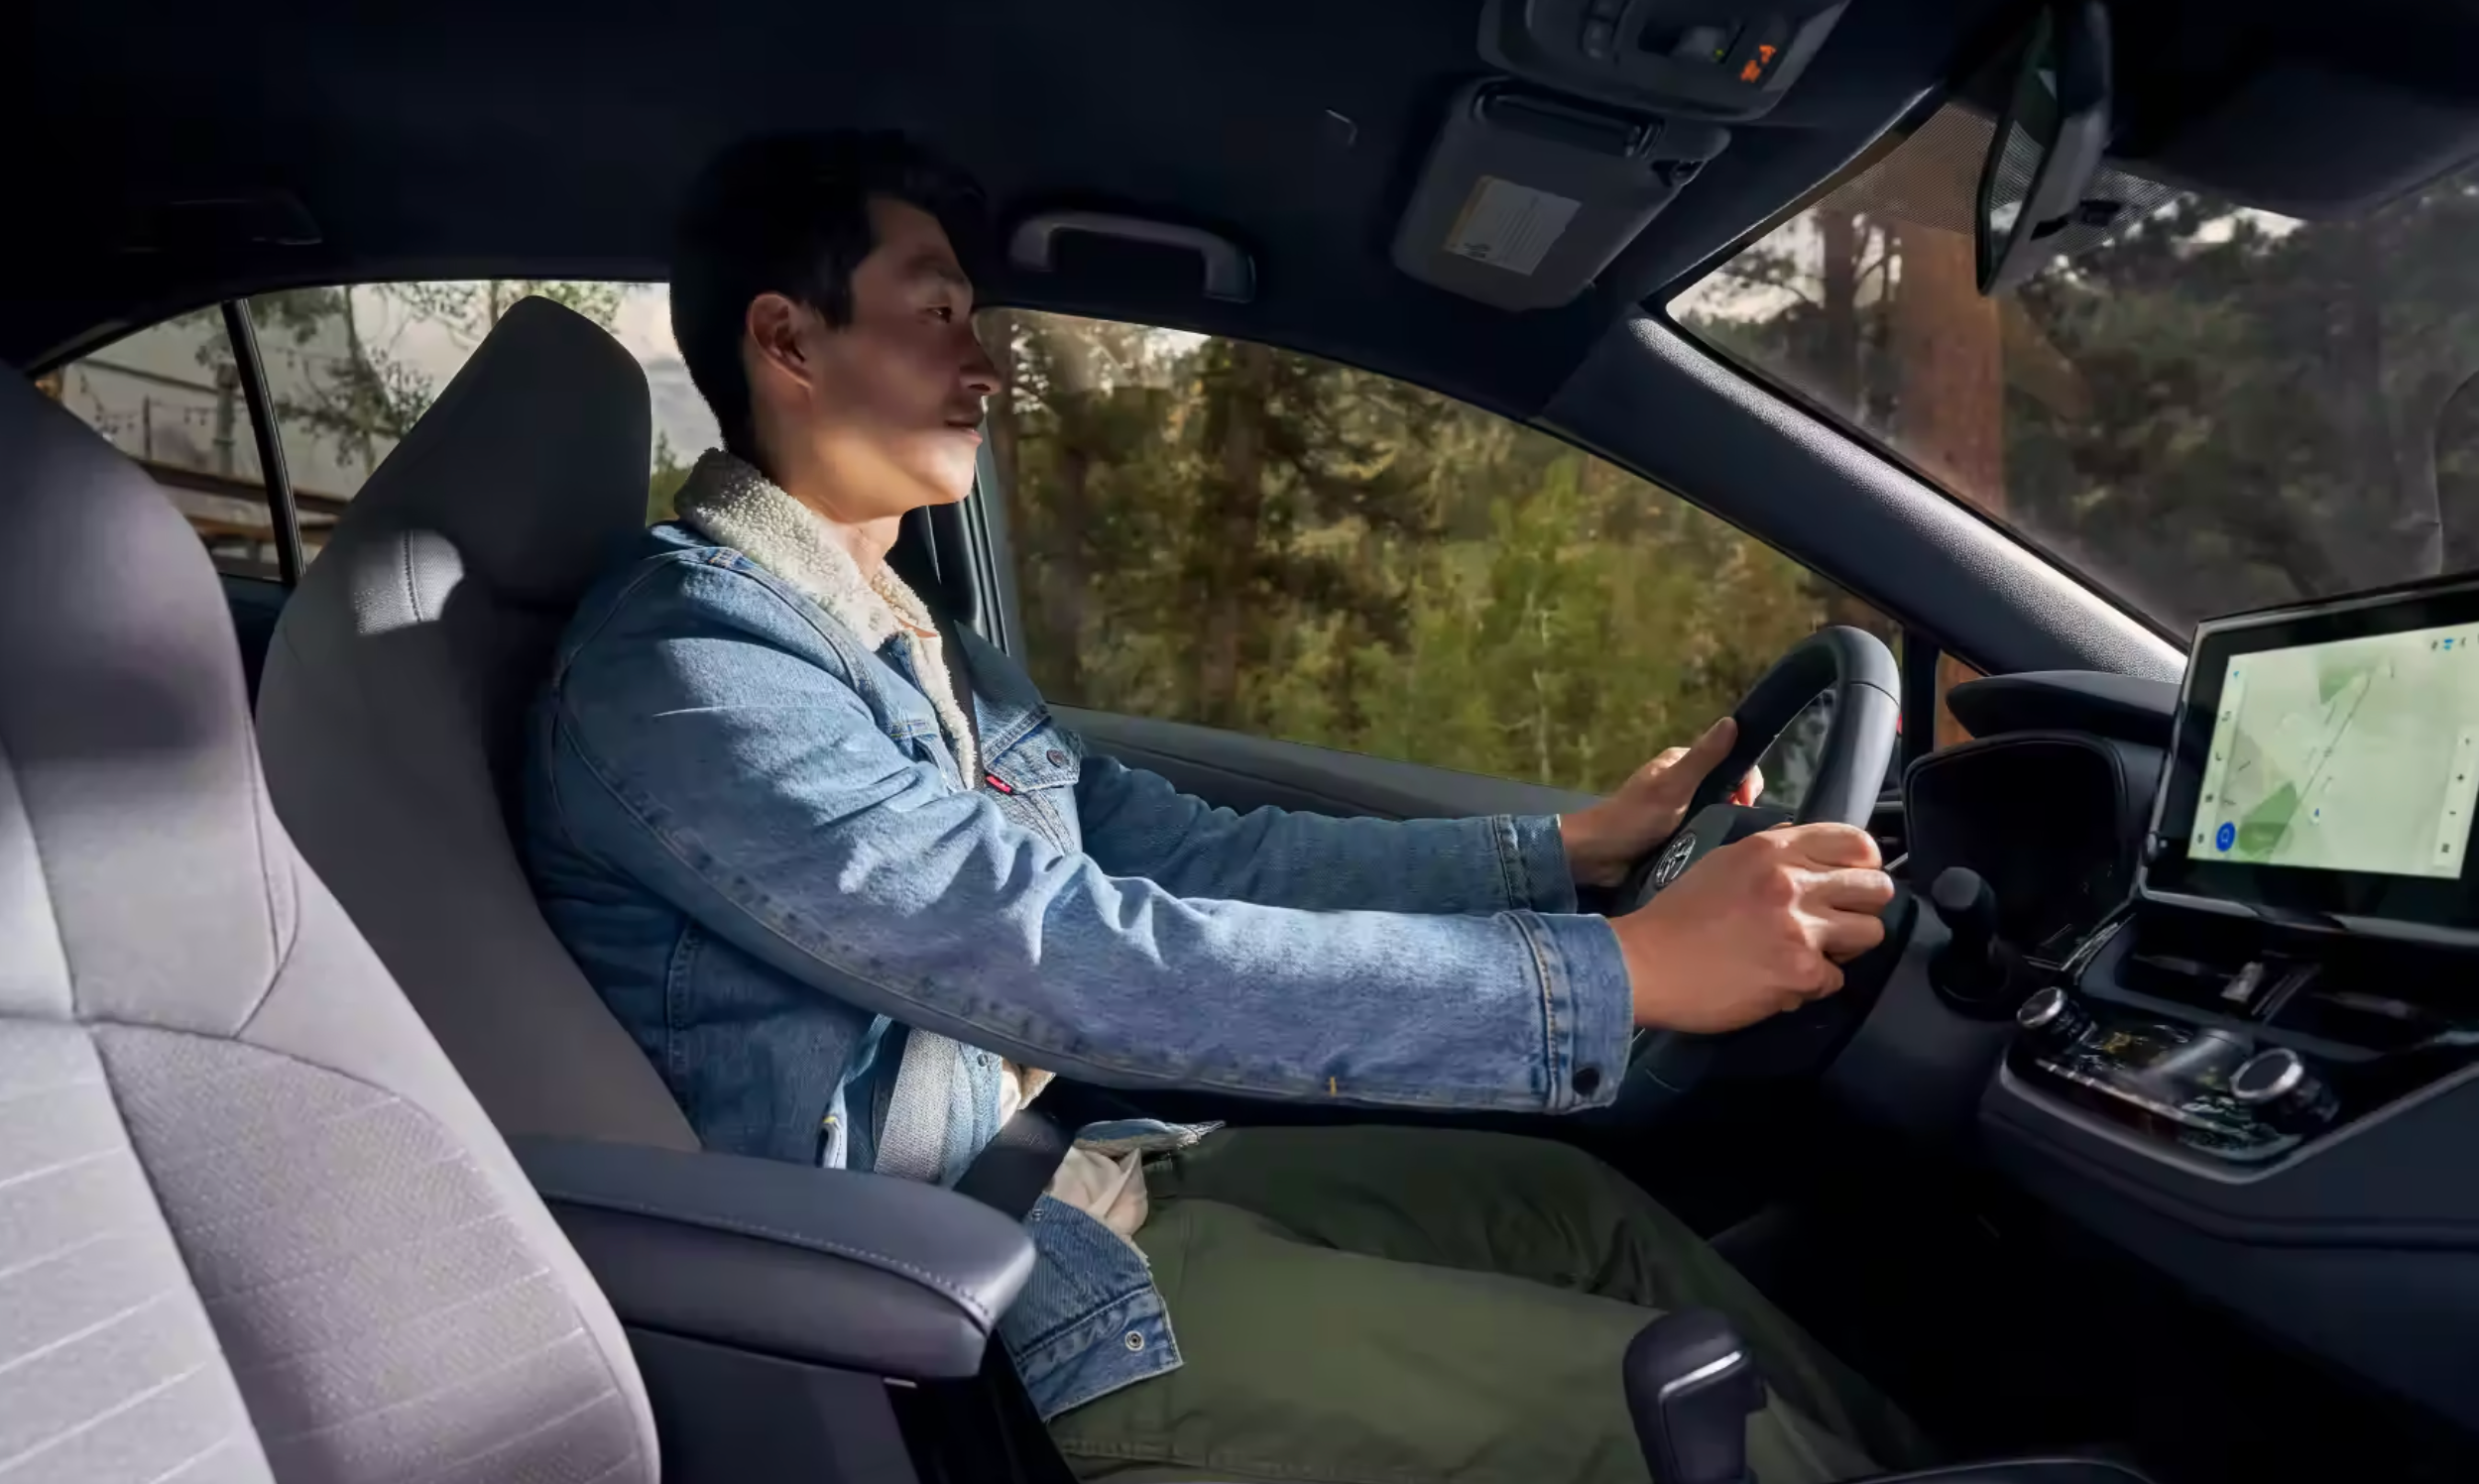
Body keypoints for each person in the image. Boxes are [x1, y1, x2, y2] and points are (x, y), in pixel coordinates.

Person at [523, 130, 1927, 1484]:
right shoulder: (689, 672)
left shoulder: (903, 633)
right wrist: (1616, 973)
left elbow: (1172, 850)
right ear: (786, 341)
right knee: (1637, 1406)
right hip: (968, 1308)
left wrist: (1564, 852)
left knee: (1580, 1216)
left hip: (1077, 1176)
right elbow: (1060, 951)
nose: (985, 360)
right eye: (939, 311)